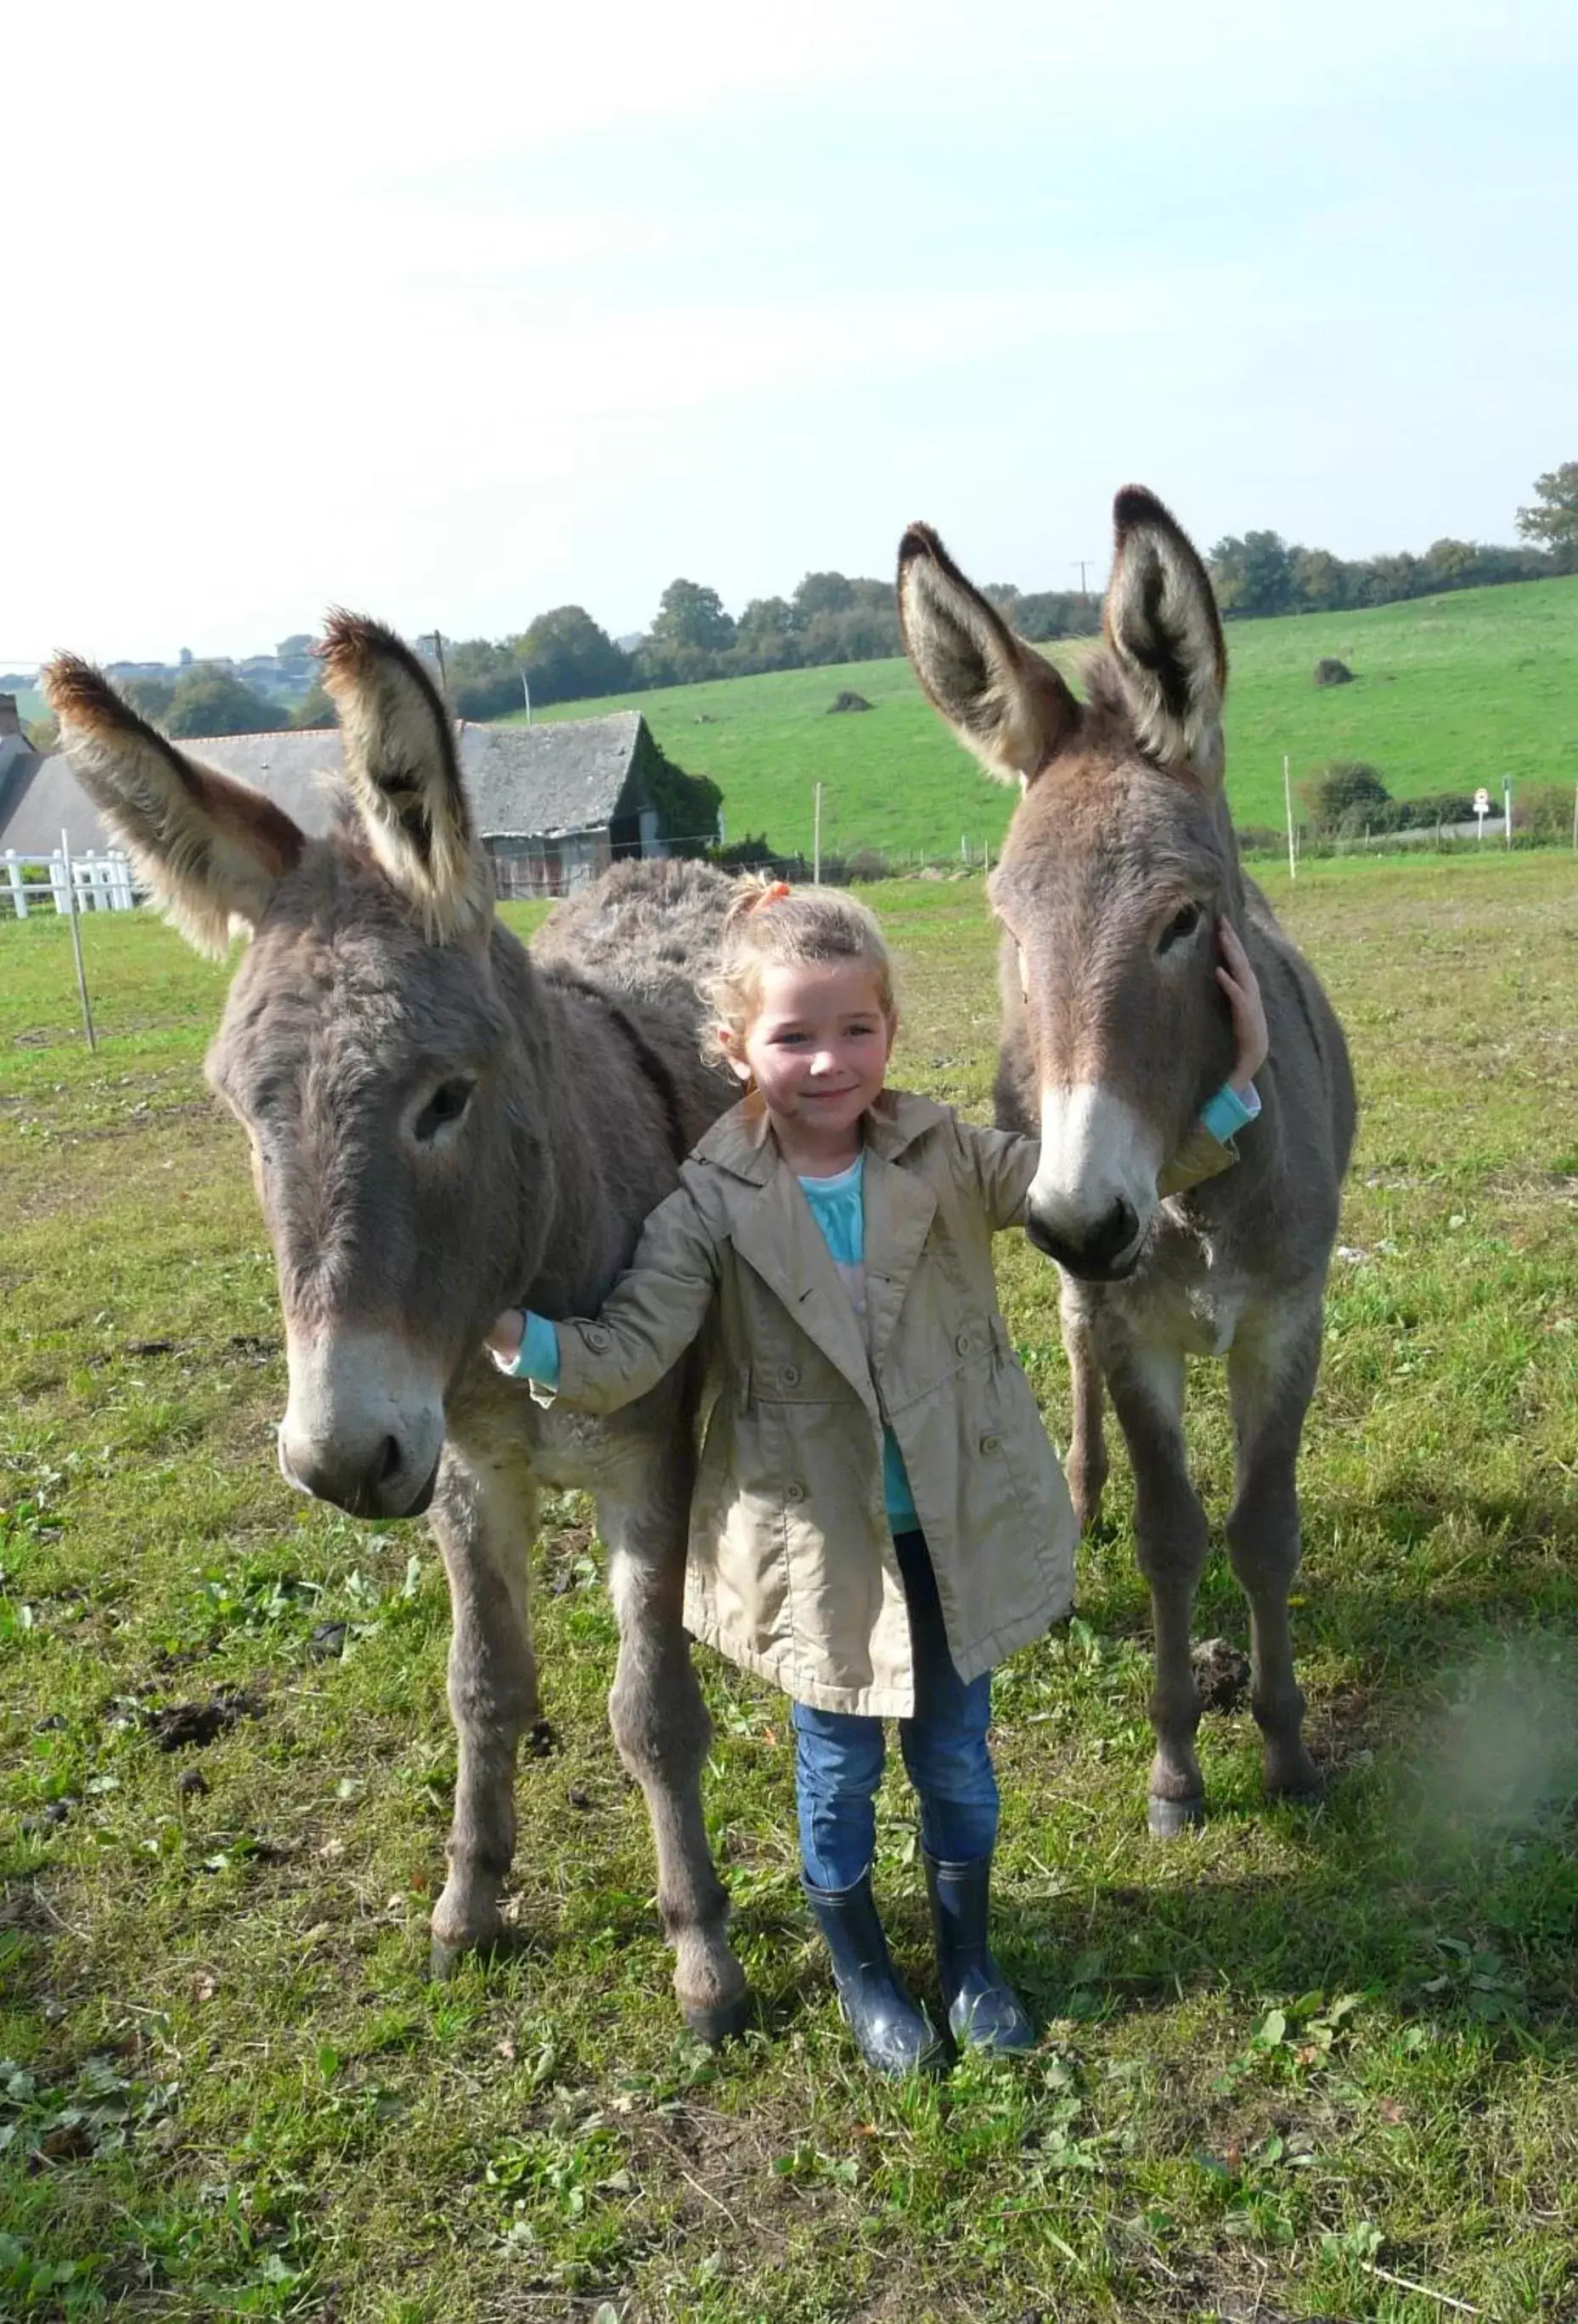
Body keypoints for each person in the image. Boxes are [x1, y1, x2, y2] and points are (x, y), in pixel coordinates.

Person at [486, 882, 1268, 2075]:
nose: (827, 1062)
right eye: (792, 1036)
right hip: (822, 1552)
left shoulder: (944, 1153)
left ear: (890, 1034)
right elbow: (634, 1347)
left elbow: (1076, 1196)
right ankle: (861, 1971)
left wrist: (1233, 1086)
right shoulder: (707, 1201)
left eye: (855, 1030)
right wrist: (523, 1343)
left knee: (956, 1754)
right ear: (732, 1049)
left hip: (951, 1530)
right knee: (837, 1767)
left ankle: (968, 1959)